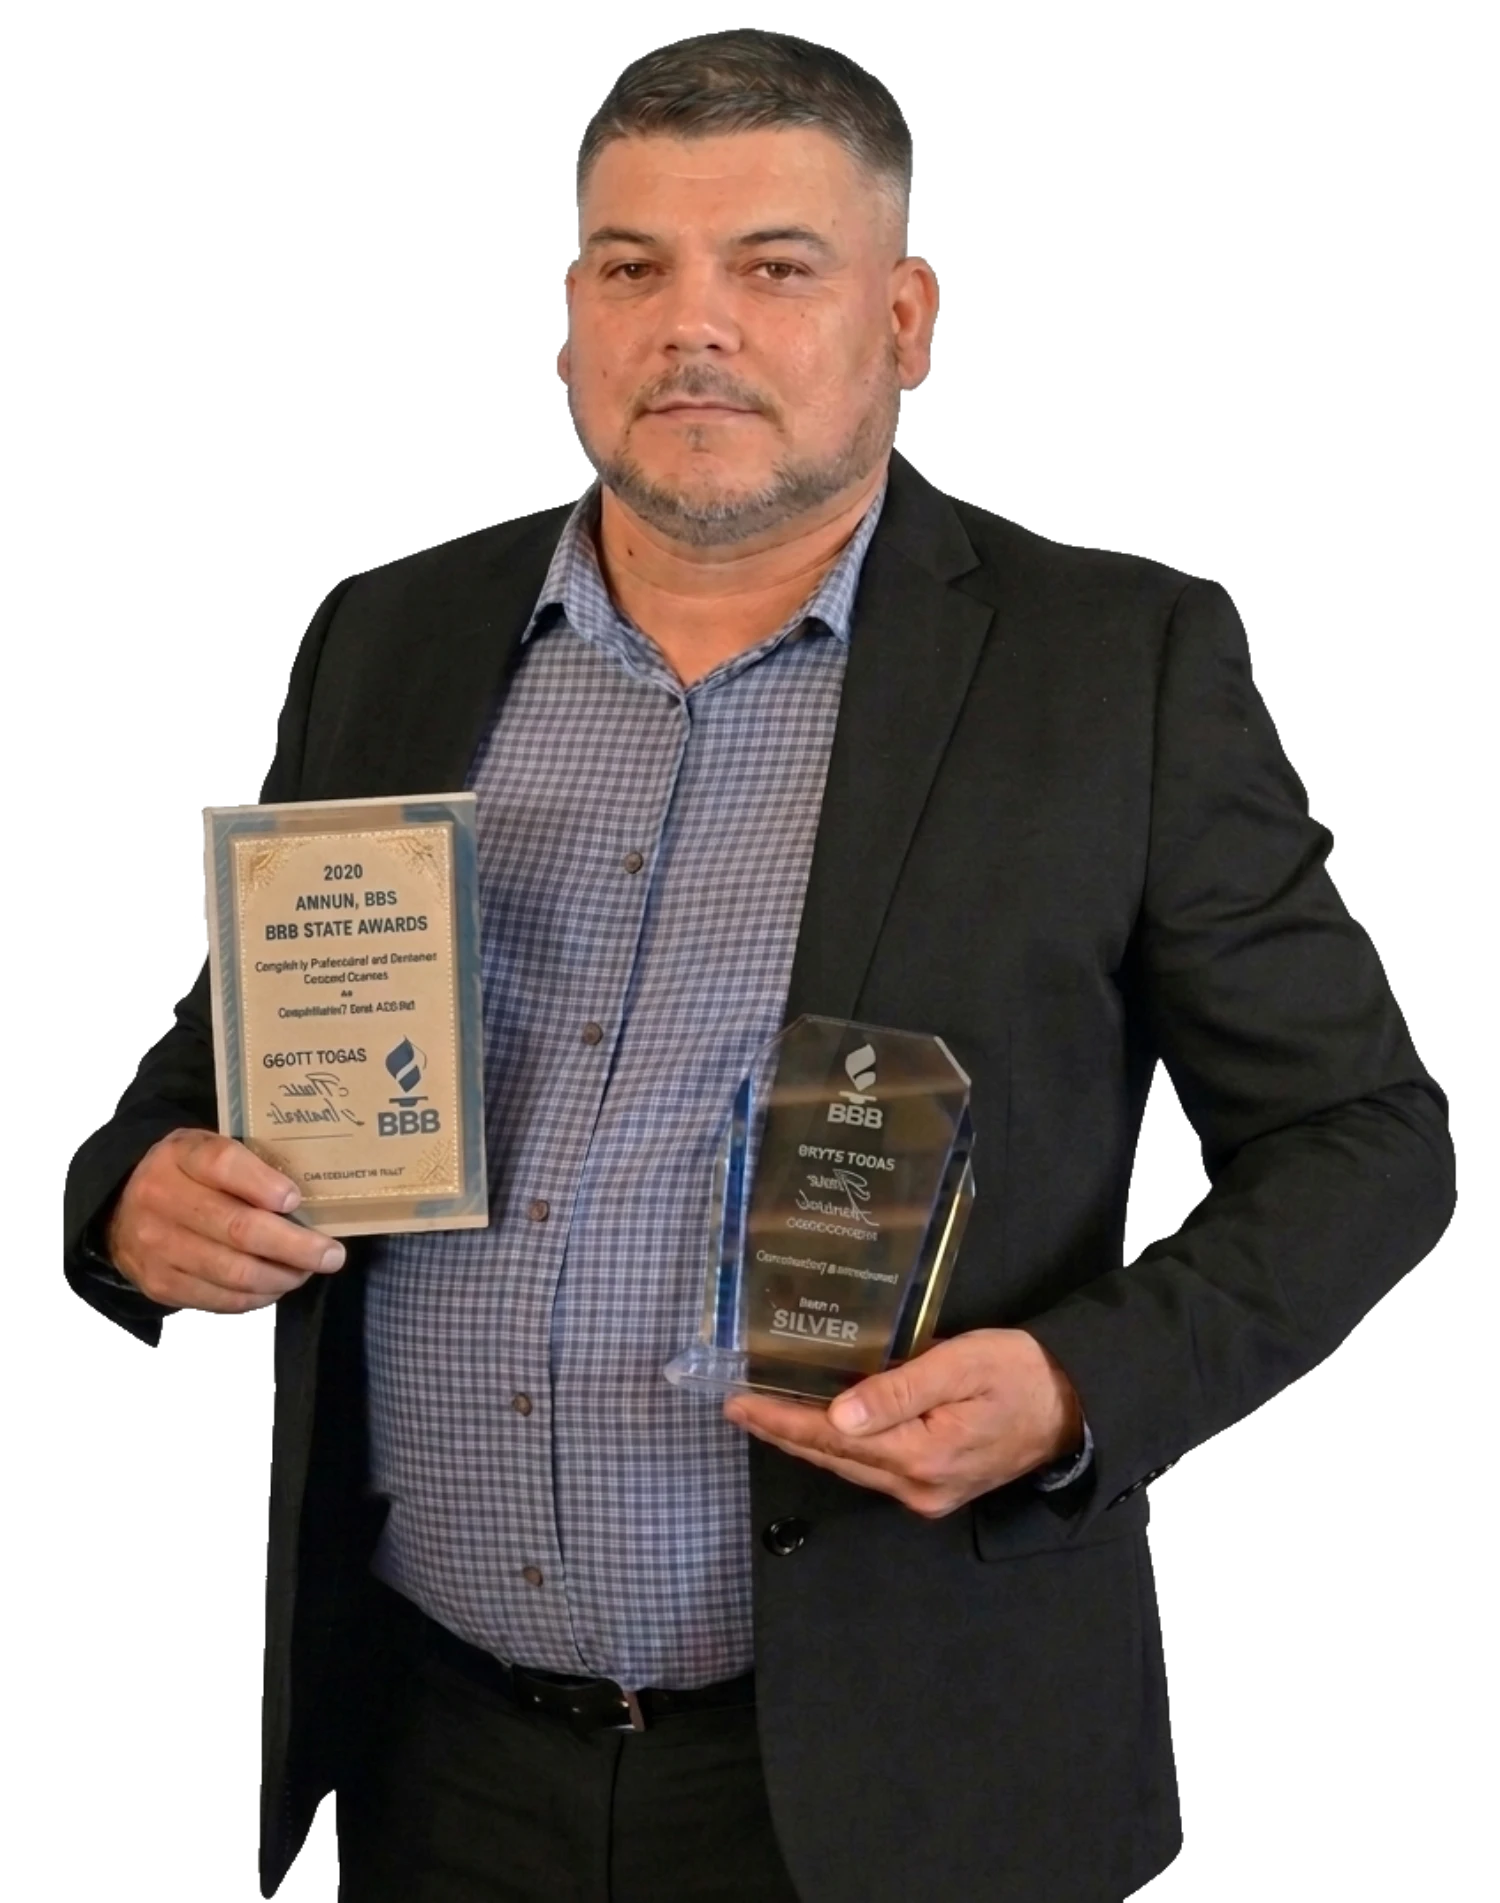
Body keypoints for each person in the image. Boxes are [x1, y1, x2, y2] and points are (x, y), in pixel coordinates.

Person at [56, 30, 1456, 1903]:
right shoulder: (391, 633)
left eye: (773, 268)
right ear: (569, 314)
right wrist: (136, 1200)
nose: (691, 326)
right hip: (433, 1761)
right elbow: (213, 1061)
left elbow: (1370, 1138)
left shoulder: (1112, 660)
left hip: (900, 1783)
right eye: (634, 267)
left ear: (906, 314)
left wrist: (1073, 1387)